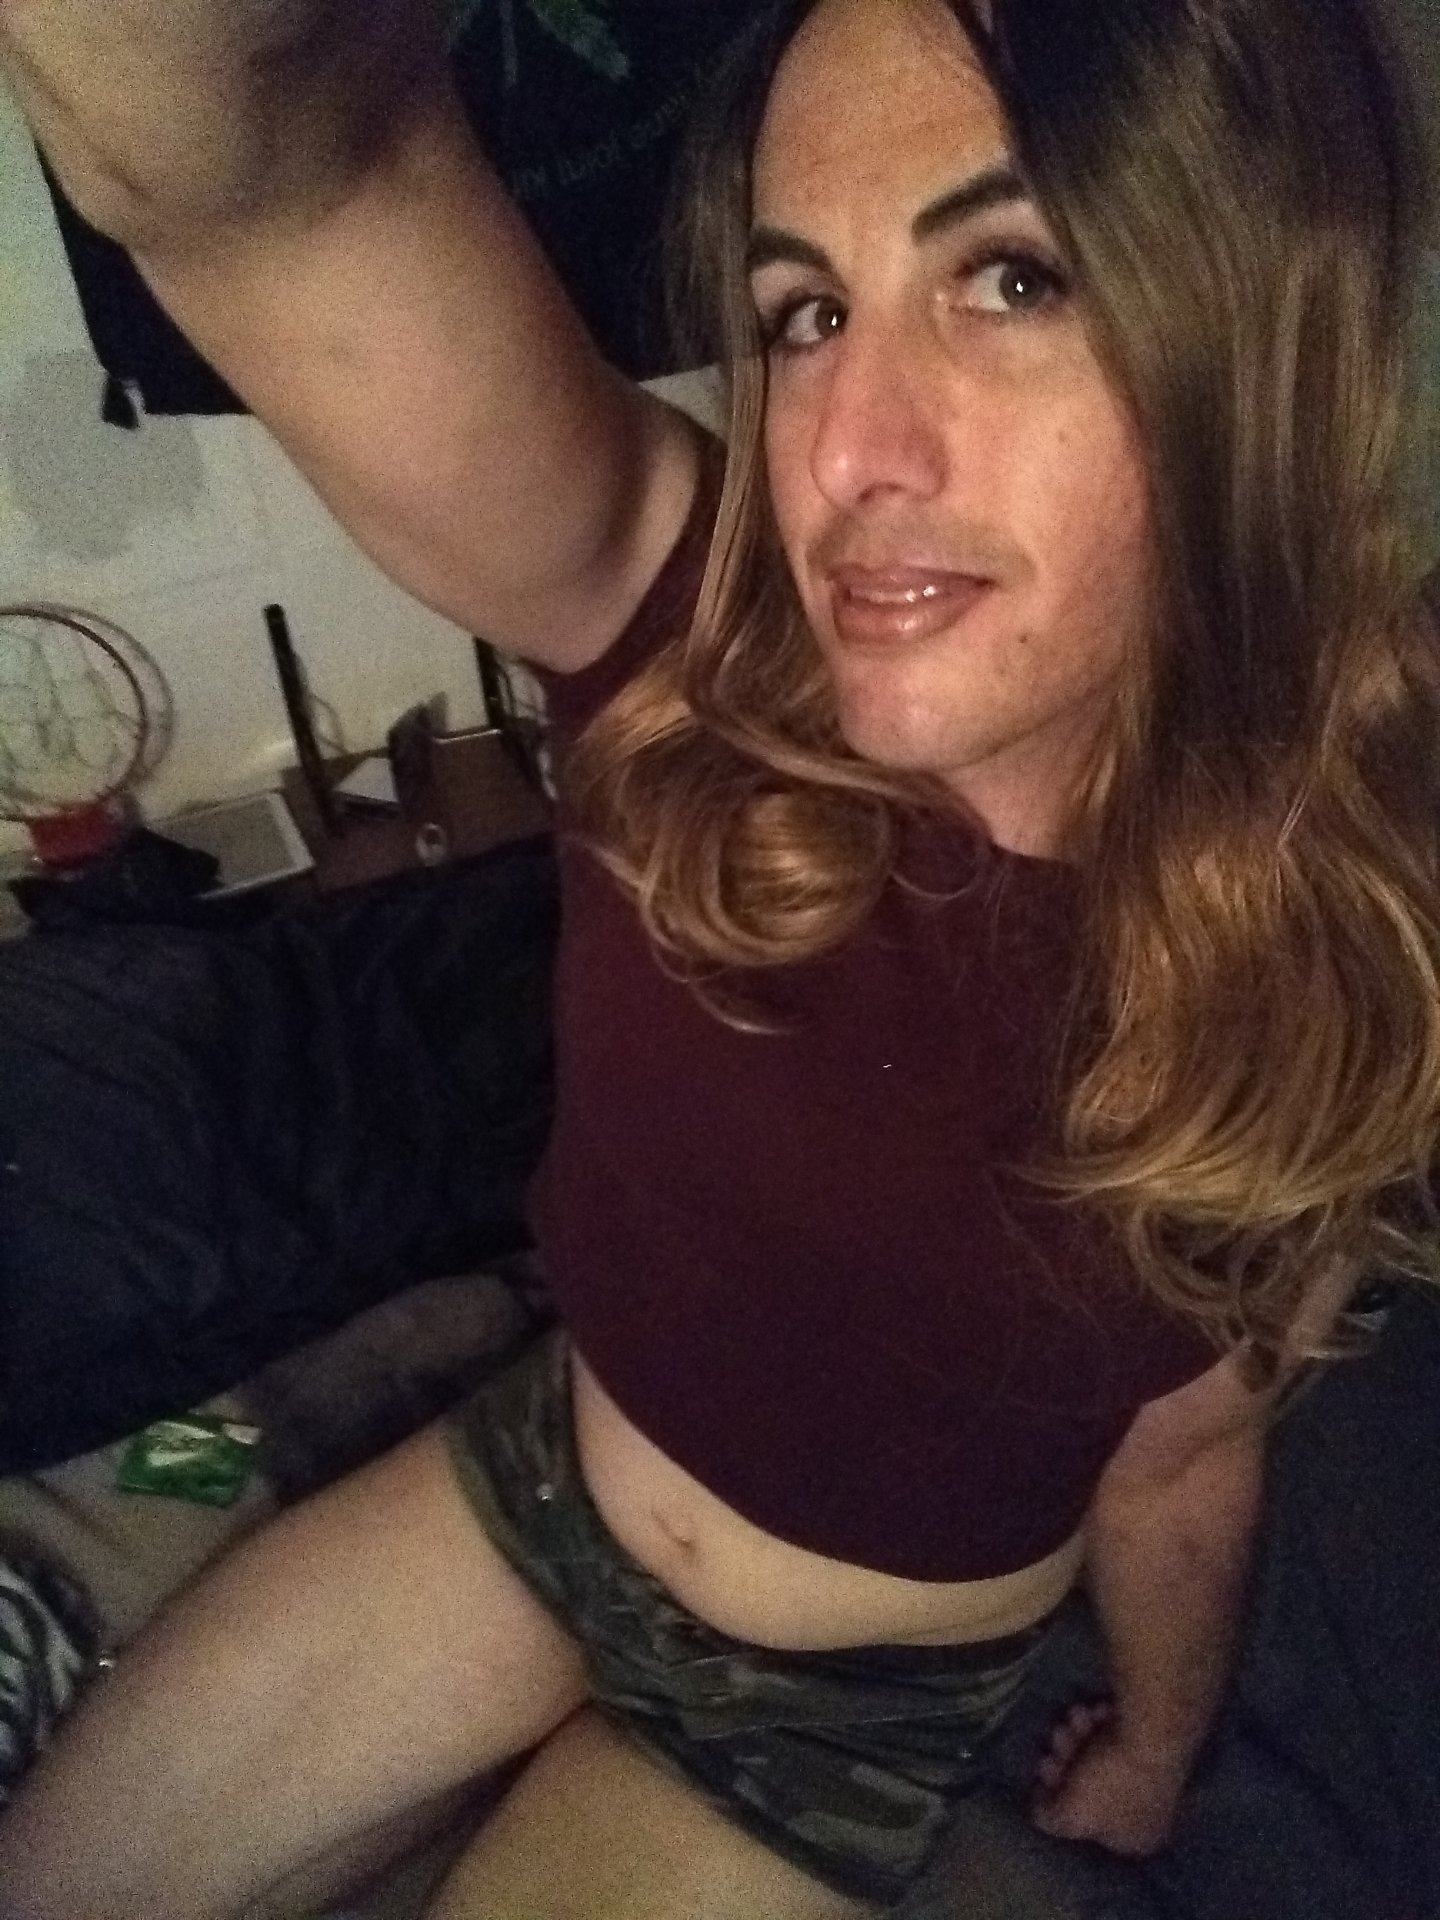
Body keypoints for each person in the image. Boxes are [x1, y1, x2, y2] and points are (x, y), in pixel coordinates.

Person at [1, 0, 1436, 1914]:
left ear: (1263, 340)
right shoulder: (692, 634)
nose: (848, 451)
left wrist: (1158, 1752)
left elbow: (1184, 1456)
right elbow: (274, 184)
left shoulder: (1337, 949)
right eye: (805, 312)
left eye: (1012, 277)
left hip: (840, 1705)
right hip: (539, 1488)